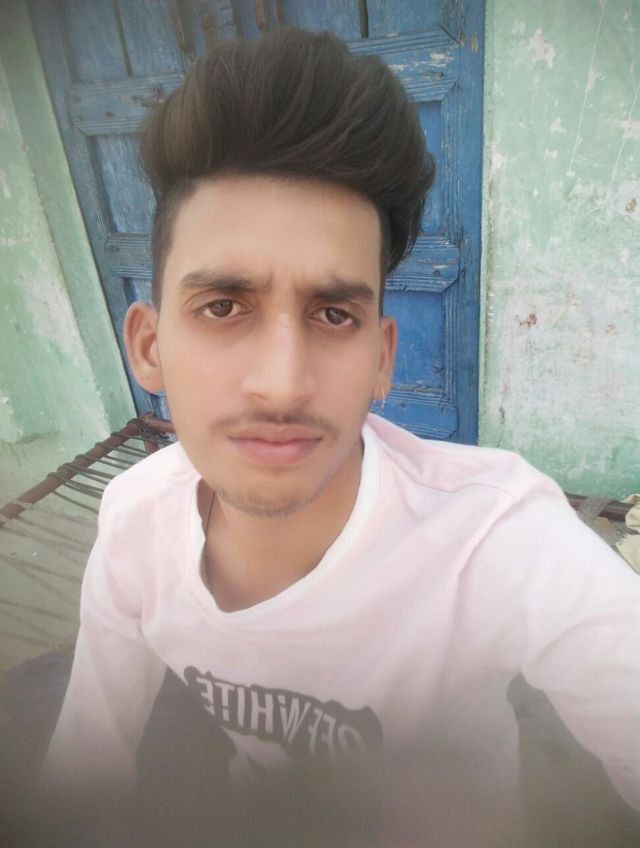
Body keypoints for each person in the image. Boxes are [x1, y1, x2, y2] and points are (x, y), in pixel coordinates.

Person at [40, 26, 639, 846]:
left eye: (333, 315)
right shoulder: (134, 522)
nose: (282, 383)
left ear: (382, 358)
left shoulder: (496, 539)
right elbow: (85, 765)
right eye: (223, 307)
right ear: (148, 345)